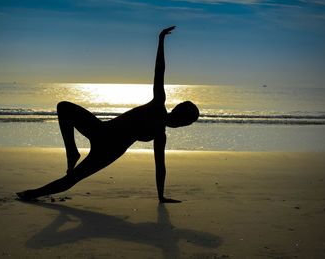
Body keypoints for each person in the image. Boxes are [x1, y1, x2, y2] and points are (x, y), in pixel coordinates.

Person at [16, 26, 199, 203]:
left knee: (71, 179)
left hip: (107, 148)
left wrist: (161, 196)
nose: (181, 125)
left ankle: (31, 194)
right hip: (101, 132)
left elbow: (160, 167)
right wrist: (160, 40)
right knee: (63, 107)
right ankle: (71, 153)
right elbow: (159, 70)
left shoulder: (160, 132)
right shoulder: (158, 106)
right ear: (179, 115)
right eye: (185, 122)